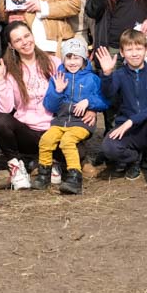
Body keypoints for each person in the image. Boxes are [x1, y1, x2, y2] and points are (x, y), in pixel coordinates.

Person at [0, 22, 58, 191]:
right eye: (18, 40)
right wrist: (0, 79)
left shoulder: (53, 62)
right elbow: (5, 108)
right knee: (0, 122)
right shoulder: (9, 70)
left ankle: (48, 163)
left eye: (26, 36)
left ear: (32, 35)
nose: (24, 42)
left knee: (79, 150)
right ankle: (17, 168)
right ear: (11, 45)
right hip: (27, 132)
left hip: (53, 131)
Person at [96, 32, 147, 190]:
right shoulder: (119, 75)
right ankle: (134, 159)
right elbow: (108, 94)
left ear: (146, 50)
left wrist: (131, 121)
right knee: (109, 147)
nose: (134, 53)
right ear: (122, 53)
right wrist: (107, 74)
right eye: (129, 49)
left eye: (138, 48)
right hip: (130, 132)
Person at [38, 37, 108, 194]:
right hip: (60, 121)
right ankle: (44, 174)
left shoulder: (92, 78)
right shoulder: (58, 77)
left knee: (67, 141)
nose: (72, 62)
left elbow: (104, 100)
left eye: (76, 57)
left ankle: (74, 177)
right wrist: (58, 91)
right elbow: (49, 105)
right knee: (46, 140)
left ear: (83, 58)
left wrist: (88, 102)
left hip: (80, 123)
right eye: (68, 57)